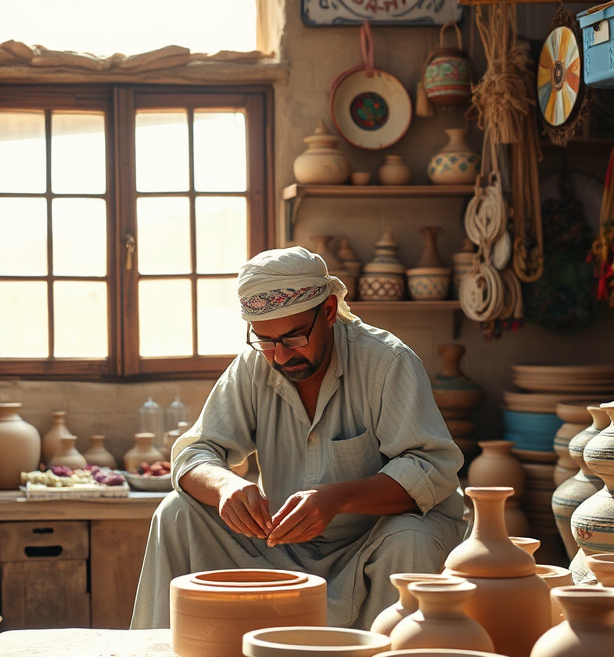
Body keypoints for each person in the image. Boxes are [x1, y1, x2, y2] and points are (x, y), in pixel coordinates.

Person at [130, 246, 466, 630]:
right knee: (176, 512)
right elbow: (194, 455)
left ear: (327, 312)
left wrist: (336, 500)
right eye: (265, 340)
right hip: (284, 547)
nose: (280, 357)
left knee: (412, 538)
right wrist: (226, 487)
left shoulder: (387, 362)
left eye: (293, 338)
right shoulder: (257, 364)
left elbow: (433, 469)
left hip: (371, 543)